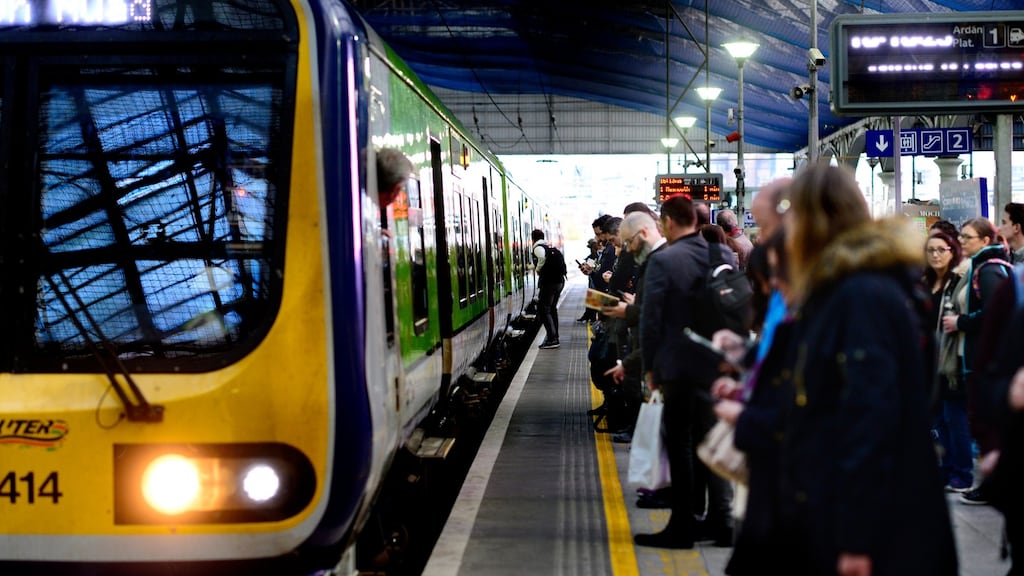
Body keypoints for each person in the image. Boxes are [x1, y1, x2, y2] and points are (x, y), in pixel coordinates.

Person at [776, 163, 957, 575]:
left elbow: (870, 413)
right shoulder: (864, 286)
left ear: (814, 221)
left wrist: (856, 537)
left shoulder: (860, 295)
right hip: (868, 504)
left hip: (870, 524)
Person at [634, 195, 733, 549]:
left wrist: (649, 368)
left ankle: (683, 525)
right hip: (716, 363)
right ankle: (722, 522)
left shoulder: (665, 259)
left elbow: (651, 318)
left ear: (669, 222)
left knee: (681, 446)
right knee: (713, 444)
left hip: (679, 366)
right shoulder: (719, 254)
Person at [925, 230, 972, 493]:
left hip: (951, 359)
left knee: (956, 418)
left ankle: (962, 474)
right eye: (930, 250)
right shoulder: (925, 281)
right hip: (930, 362)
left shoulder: (958, 281)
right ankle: (946, 468)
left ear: (952, 251)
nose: (935, 255)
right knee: (938, 420)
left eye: (941, 249)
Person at [531, 229, 564, 349]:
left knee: (543, 309)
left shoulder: (538, 248)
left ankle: (552, 338)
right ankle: (555, 336)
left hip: (549, 282)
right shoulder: (548, 247)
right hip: (559, 281)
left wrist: (538, 269)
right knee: (552, 309)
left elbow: (542, 258)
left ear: (533, 239)